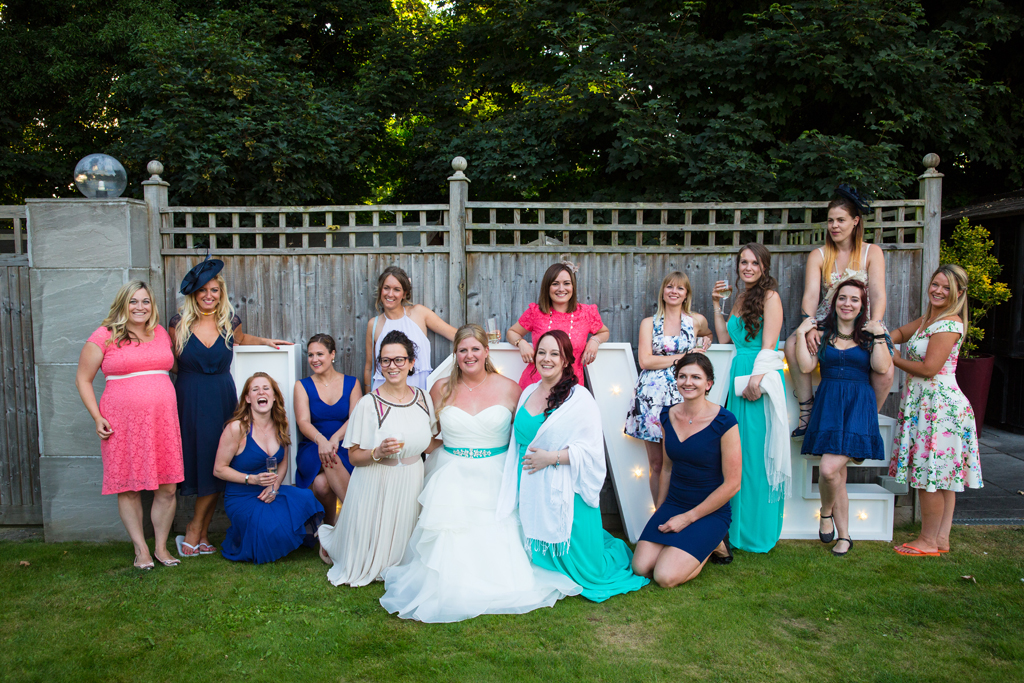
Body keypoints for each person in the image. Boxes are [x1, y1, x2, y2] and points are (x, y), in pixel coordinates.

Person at [380, 324, 580, 622]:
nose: (469, 355)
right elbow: (427, 436)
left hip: (496, 473)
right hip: (451, 472)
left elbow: (525, 434)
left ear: (487, 351)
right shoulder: (440, 388)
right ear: (456, 354)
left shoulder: (511, 388)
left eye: (475, 349)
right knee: (448, 534)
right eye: (462, 350)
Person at [497, 330, 649, 601]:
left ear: (567, 360)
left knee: (590, 570)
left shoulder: (580, 399)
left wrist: (551, 458)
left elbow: (591, 452)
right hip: (528, 485)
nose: (546, 359)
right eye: (542, 352)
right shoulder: (528, 392)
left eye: (554, 354)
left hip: (566, 488)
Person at [169, 254, 291, 558]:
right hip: (189, 397)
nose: (209, 296)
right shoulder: (178, 324)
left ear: (221, 293)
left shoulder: (229, 322)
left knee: (218, 461)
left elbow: (241, 339)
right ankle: (199, 531)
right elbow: (171, 363)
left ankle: (196, 530)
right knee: (198, 462)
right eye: (203, 290)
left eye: (214, 290)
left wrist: (265, 342)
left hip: (221, 397)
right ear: (193, 294)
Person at [75, 281, 183, 570]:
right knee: (130, 488)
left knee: (168, 487)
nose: (140, 307)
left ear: (152, 306)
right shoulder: (105, 335)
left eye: (145, 301)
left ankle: (161, 547)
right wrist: (97, 417)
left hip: (162, 421)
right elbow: (83, 379)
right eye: (133, 301)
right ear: (123, 304)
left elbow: (176, 365)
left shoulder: (160, 333)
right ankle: (141, 549)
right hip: (123, 423)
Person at [321, 330, 439, 586]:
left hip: (412, 481)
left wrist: (463, 445)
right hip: (377, 483)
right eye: (385, 360)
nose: (392, 366)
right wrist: (378, 452)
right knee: (370, 558)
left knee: (402, 557)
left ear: (411, 363)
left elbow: (428, 443)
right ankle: (341, 544)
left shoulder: (423, 399)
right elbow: (353, 457)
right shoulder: (368, 404)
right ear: (379, 365)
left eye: (399, 359)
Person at [889, 265, 982, 556]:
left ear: (959, 293)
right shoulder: (929, 319)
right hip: (928, 403)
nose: (938, 291)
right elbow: (899, 333)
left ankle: (928, 541)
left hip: (940, 408)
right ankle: (941, 539)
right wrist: (882, 338)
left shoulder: (949, 324)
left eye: (946, 288)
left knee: (930, 473)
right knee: (943, 476)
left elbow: (930, 369)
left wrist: (893, 359)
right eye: (935, 284)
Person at [794, 279, 892, 556]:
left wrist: (879, 335)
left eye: (854, 299)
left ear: (862, 306)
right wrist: (801, 334)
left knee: (828, 469)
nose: (847, 304)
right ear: (834, 302)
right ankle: (845, 536)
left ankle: (825, 512)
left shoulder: (870, 335)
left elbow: (882, 367)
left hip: (859, 407)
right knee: (837, 475)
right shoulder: (823, 333)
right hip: (830, 405)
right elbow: (806, 366)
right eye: (842, 298)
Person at [784, 186, 892, 436]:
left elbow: (878, 293)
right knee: (792, 345)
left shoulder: (872, 252)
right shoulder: (819, 255)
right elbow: (811, 295)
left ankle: (865, 420)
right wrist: (809, 325)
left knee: (886, 371)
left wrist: (875, 326)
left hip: (863, 320)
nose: (834, 226)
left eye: (841, 220)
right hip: (828, 319)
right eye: (831, 220)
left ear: (855, 221)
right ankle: (807, 410)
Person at [632, 353, 740, 586]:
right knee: (641, 567)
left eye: (696, 377)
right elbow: (667, 468)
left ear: (708, 384)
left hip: (709, 510)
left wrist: (687, 518)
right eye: (682, 376)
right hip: (675, 503)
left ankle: (715, 543)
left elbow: (733, 484)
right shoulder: (668, 415)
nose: (688, 382)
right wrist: (660, 510)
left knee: (664, 576)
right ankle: (689, 544)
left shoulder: (725, 421)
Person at [711, 243, 788, 554]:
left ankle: (758, 530)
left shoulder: (771, 298)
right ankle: (735, 528)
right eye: (743, 262)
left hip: (759, 378)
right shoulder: (740, 298)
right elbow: (725, 338)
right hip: (737, 375)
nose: (748, 267)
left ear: (764, 267)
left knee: (757, 454)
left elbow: (769, 346)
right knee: (736, 455)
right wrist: (716, 305)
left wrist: (756, 380)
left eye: (754, 263)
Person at [213, 372, 323, 564]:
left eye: (266, 388)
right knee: (268, 529)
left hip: (270, 491)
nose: (261, 392)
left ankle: (320, 540)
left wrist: (274, 486)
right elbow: (219, 469)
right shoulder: (237, 428)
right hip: (242, 497)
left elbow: (283, 462)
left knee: (306, 497)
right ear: (248, 398)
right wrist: (251, 479)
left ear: (274, 396)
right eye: (255, 389)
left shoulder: (282, 424)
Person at [625, 271, 713, 502]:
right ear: (663, 292)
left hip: (683, 395)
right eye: (670, 287)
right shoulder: (649, 323)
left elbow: (708, 334)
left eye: (680, 288)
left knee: (679, 460)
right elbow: (646, 361)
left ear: (686, 294)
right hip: (651, 397)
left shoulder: (695, 321)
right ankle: (659, 514)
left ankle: (681, 513)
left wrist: (707, 339)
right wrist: (683, 356)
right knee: (656, 463)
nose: (674, 291)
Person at [293, 333, 362, 557]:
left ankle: (329, 532)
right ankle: (358, 523)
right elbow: (303, 422)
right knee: (328, 457)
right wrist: (322, 440)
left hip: (344, 443)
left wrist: (335, 439)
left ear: (332, 355)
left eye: (320, 354)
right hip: (313, 446)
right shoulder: (302, 386)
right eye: (310, 355)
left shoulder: (352, 383)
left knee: (322, 484)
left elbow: (355, 418)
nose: (314, 359)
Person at [506, 261, 610, 389]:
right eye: (555, 284)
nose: (561, 289)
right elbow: (512, 332)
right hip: (536, 385)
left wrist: (595, 340)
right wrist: (521, 343)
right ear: (547, 287)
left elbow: (604, 332)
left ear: (573, 286)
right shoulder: (536, 312)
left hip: (570, 385)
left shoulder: (586, 313)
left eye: (566, 283)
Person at [364, 265, 456, 392]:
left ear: (404, 294)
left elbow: (456, 335)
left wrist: (484, 338)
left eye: (396, 289)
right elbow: (369, 368)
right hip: (384, 391)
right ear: (381, 290)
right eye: (386, 288)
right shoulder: (374, 324)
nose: (390, 294)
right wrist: (368, 397)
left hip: (419, 388)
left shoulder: (419, 313)